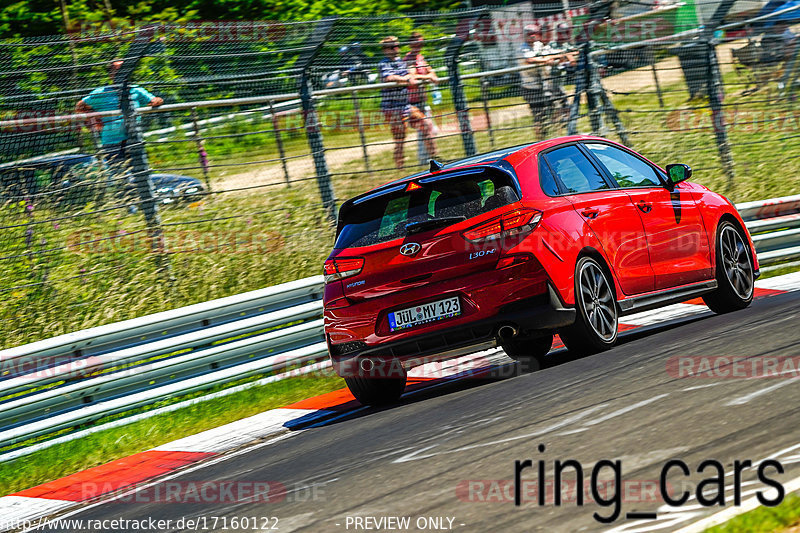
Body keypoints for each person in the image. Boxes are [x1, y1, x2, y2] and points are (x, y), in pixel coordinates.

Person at [76, 60, 163, 171]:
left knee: (140, 172)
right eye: (117, 70)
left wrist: (157, 101)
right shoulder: (101, 92)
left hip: (133, 138)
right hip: (111, 142)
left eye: (125, 69)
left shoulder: (136, 89)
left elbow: (155, 100)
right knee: (119, 175)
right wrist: (94, 119)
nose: (122, 73)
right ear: (111, 74)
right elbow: (79, 107)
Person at [378, 35, 437, 169]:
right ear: (385, 50)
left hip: (405, 105)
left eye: (397, 46)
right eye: (392, 47)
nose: (396, 49)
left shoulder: (400, 61)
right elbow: (389, 77)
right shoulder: (383, 63)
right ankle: (400, 168)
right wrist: (406, 80)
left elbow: (410, 74)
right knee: (400, 138)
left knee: (426, 125)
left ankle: (435, 159)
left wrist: (413, 77)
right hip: (392, 108)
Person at [518, 24, 560, 140]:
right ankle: (540, 140)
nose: (532, 36)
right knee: (539, 116)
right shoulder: (522, 48)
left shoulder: (539, 45)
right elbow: (530, 60)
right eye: (529, 34)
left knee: (555, 111)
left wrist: (562, 54)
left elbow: (551, 53)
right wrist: (546, 60)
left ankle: (557, 137)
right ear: (525, 35)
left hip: (545, 86)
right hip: (531, 89)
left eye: (534, 33)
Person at [404, 31, 440, 164]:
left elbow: (429, 69)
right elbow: (412, 75)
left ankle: (425, 159)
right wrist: (429, 77)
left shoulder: (420, 57)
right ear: (411, 44)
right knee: (427, 127)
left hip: (422, 101)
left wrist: (432, 73)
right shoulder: (409, 59)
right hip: (411, 102)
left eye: (421, 43)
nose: (419, 45)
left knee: (429, 130)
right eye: (417, 43)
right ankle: (435, 157)